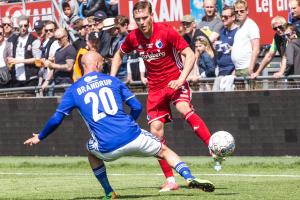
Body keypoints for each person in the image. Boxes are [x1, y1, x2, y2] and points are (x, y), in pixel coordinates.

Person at [24, 51, 215, 199]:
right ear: (98, 64)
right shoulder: (112, 80)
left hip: (107, 148)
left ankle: (109, 192)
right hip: (133, 136)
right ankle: (189, 177)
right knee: (164, 150)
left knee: (90, 151)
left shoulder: (73, 90)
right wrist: (130, 122)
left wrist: (40, 136)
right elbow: (136, 106)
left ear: (82, 67)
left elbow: (57, 119)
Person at [110, 1, 213, 192]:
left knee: (183, 108)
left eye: (144, 18)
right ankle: (171, 181)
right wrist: (111, 79)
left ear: (152, 15)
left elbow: (189, 55)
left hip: (175, 80)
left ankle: (212, 146)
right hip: (155, 89)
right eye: (137, 19)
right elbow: (118, 55)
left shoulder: (166, 32)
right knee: (155, 134)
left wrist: (182, 79)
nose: (141, 22)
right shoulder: (133, 37)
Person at [231, 0, 260, 77]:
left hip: (247, 70)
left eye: (241, 11)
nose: (239, 13)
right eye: (236, 11)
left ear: (247, 11)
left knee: (250, 89)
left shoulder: (251, 25)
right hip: (238, 70)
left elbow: (256, 49)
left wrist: (251, 68)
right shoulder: (239, 27)